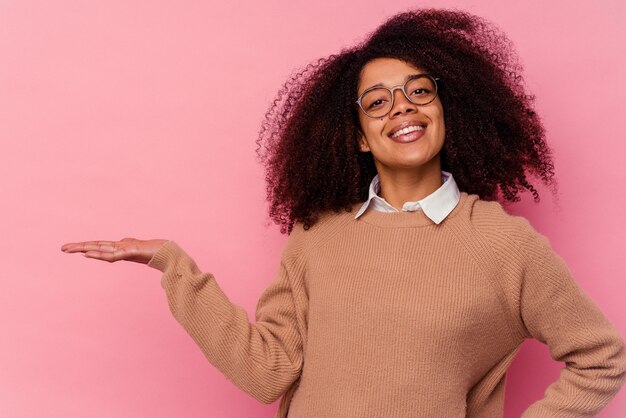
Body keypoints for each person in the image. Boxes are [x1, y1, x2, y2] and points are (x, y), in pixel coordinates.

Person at [61, 8, 626, 418]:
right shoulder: (318, 238)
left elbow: (601, 358)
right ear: (358, 137)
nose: (401, 106)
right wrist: (174, 266)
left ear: (448, 111)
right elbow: (267, 373)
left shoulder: (506, 246)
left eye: (419, 92)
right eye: (377, 102)